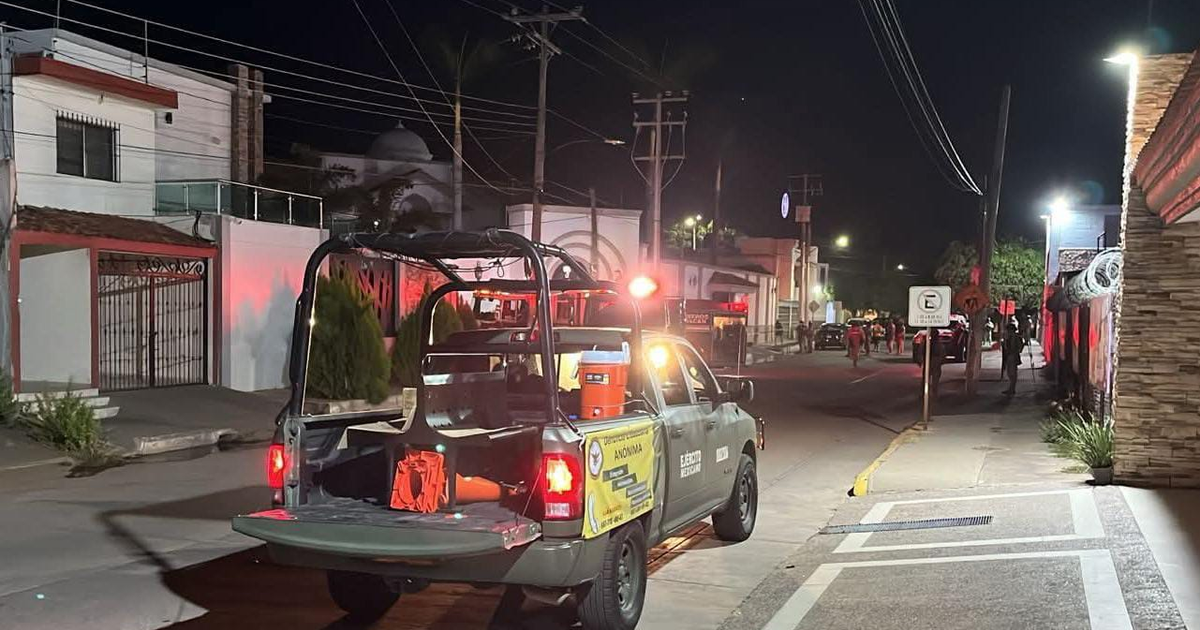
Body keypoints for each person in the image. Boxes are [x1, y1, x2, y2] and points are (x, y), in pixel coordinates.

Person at [1002, 323, 1026, 395]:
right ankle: (1011, 388)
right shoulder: (1009, 337)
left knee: (1012, 373)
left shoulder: (1015, 337)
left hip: (1013, 355)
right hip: (1009, 355)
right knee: (1010, 372)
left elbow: (1020, 346)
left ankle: (1012, 389)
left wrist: (1017, 351)